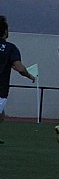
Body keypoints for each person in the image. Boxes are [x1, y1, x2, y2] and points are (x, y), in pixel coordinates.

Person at [0, 15, 36, 143]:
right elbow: (19, 67)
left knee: (1, 115)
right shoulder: (10, 48)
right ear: (5, 31)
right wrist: (29, 75)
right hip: (1, 90)